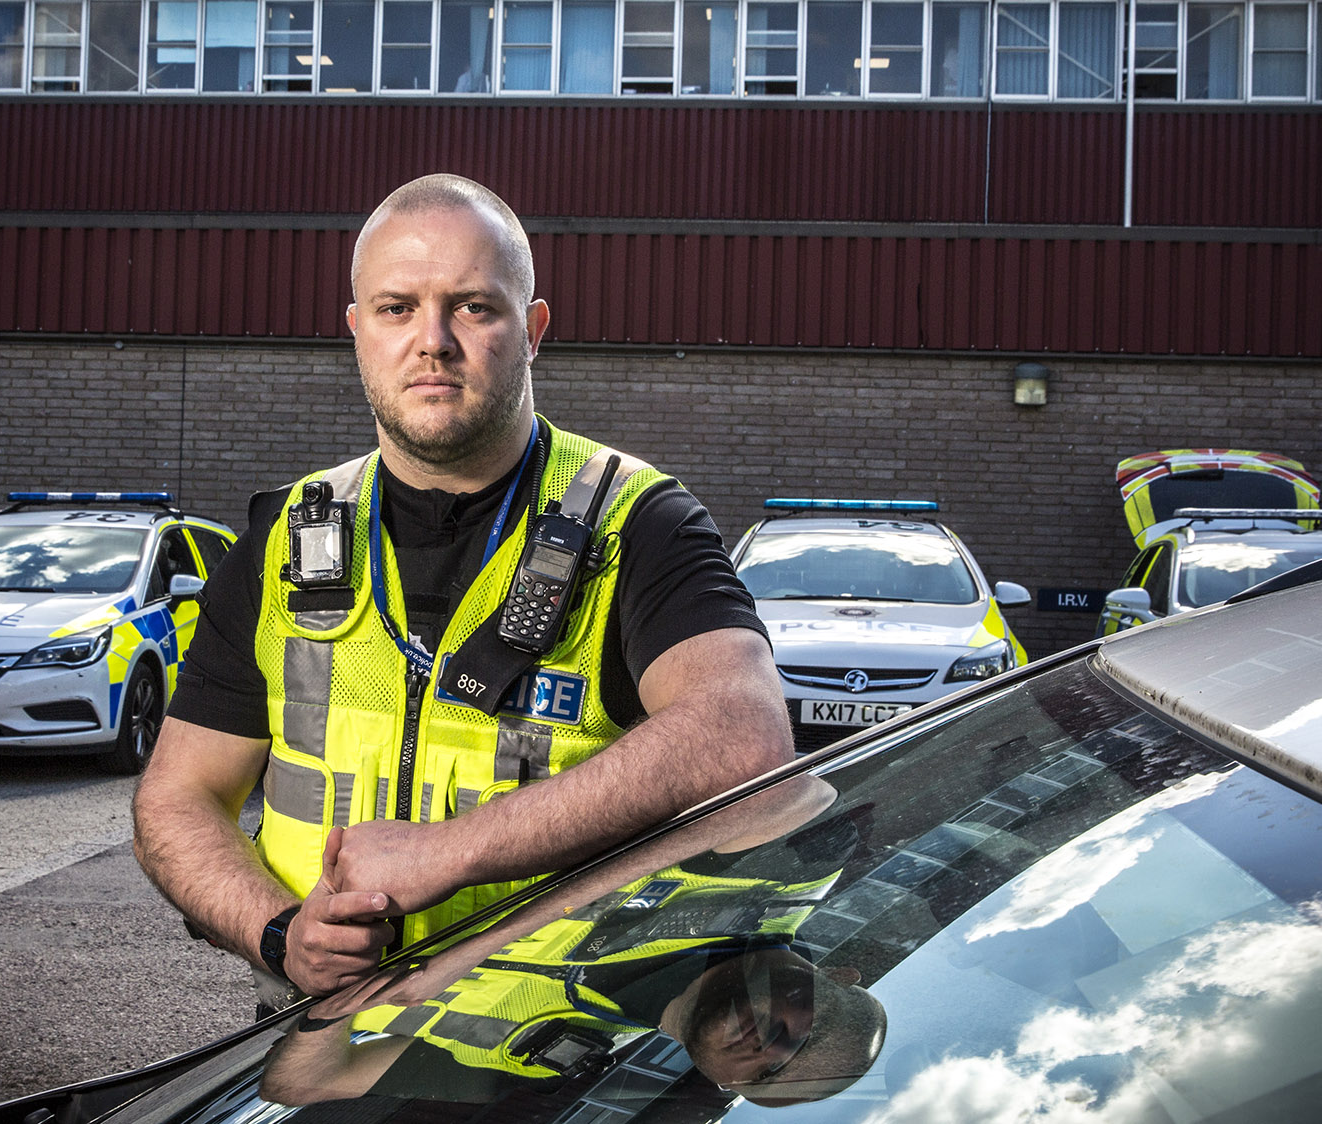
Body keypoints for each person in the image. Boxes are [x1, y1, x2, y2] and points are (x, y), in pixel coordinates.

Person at [132, 172, 795, 1014]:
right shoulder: (287, 537)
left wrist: (449, 852)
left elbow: (743, 736)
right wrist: (279, 934)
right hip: (320, 1050)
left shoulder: (640, 523)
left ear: (534, 330)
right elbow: (176, 799)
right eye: (397, 308)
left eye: (474, 307)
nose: (433, 341)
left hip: (561, 1058)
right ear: (357, 331)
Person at [259, 775, 888, 1109]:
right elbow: (788, 791)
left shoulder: (537, 1058)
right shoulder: (788, 879)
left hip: (279, 900)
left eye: (765, 1078)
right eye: (806, 1034)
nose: (768, 1047)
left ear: (724, 1085)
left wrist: (331, 1002)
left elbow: (302, 1086)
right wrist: (483, 942)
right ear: (842, 975)